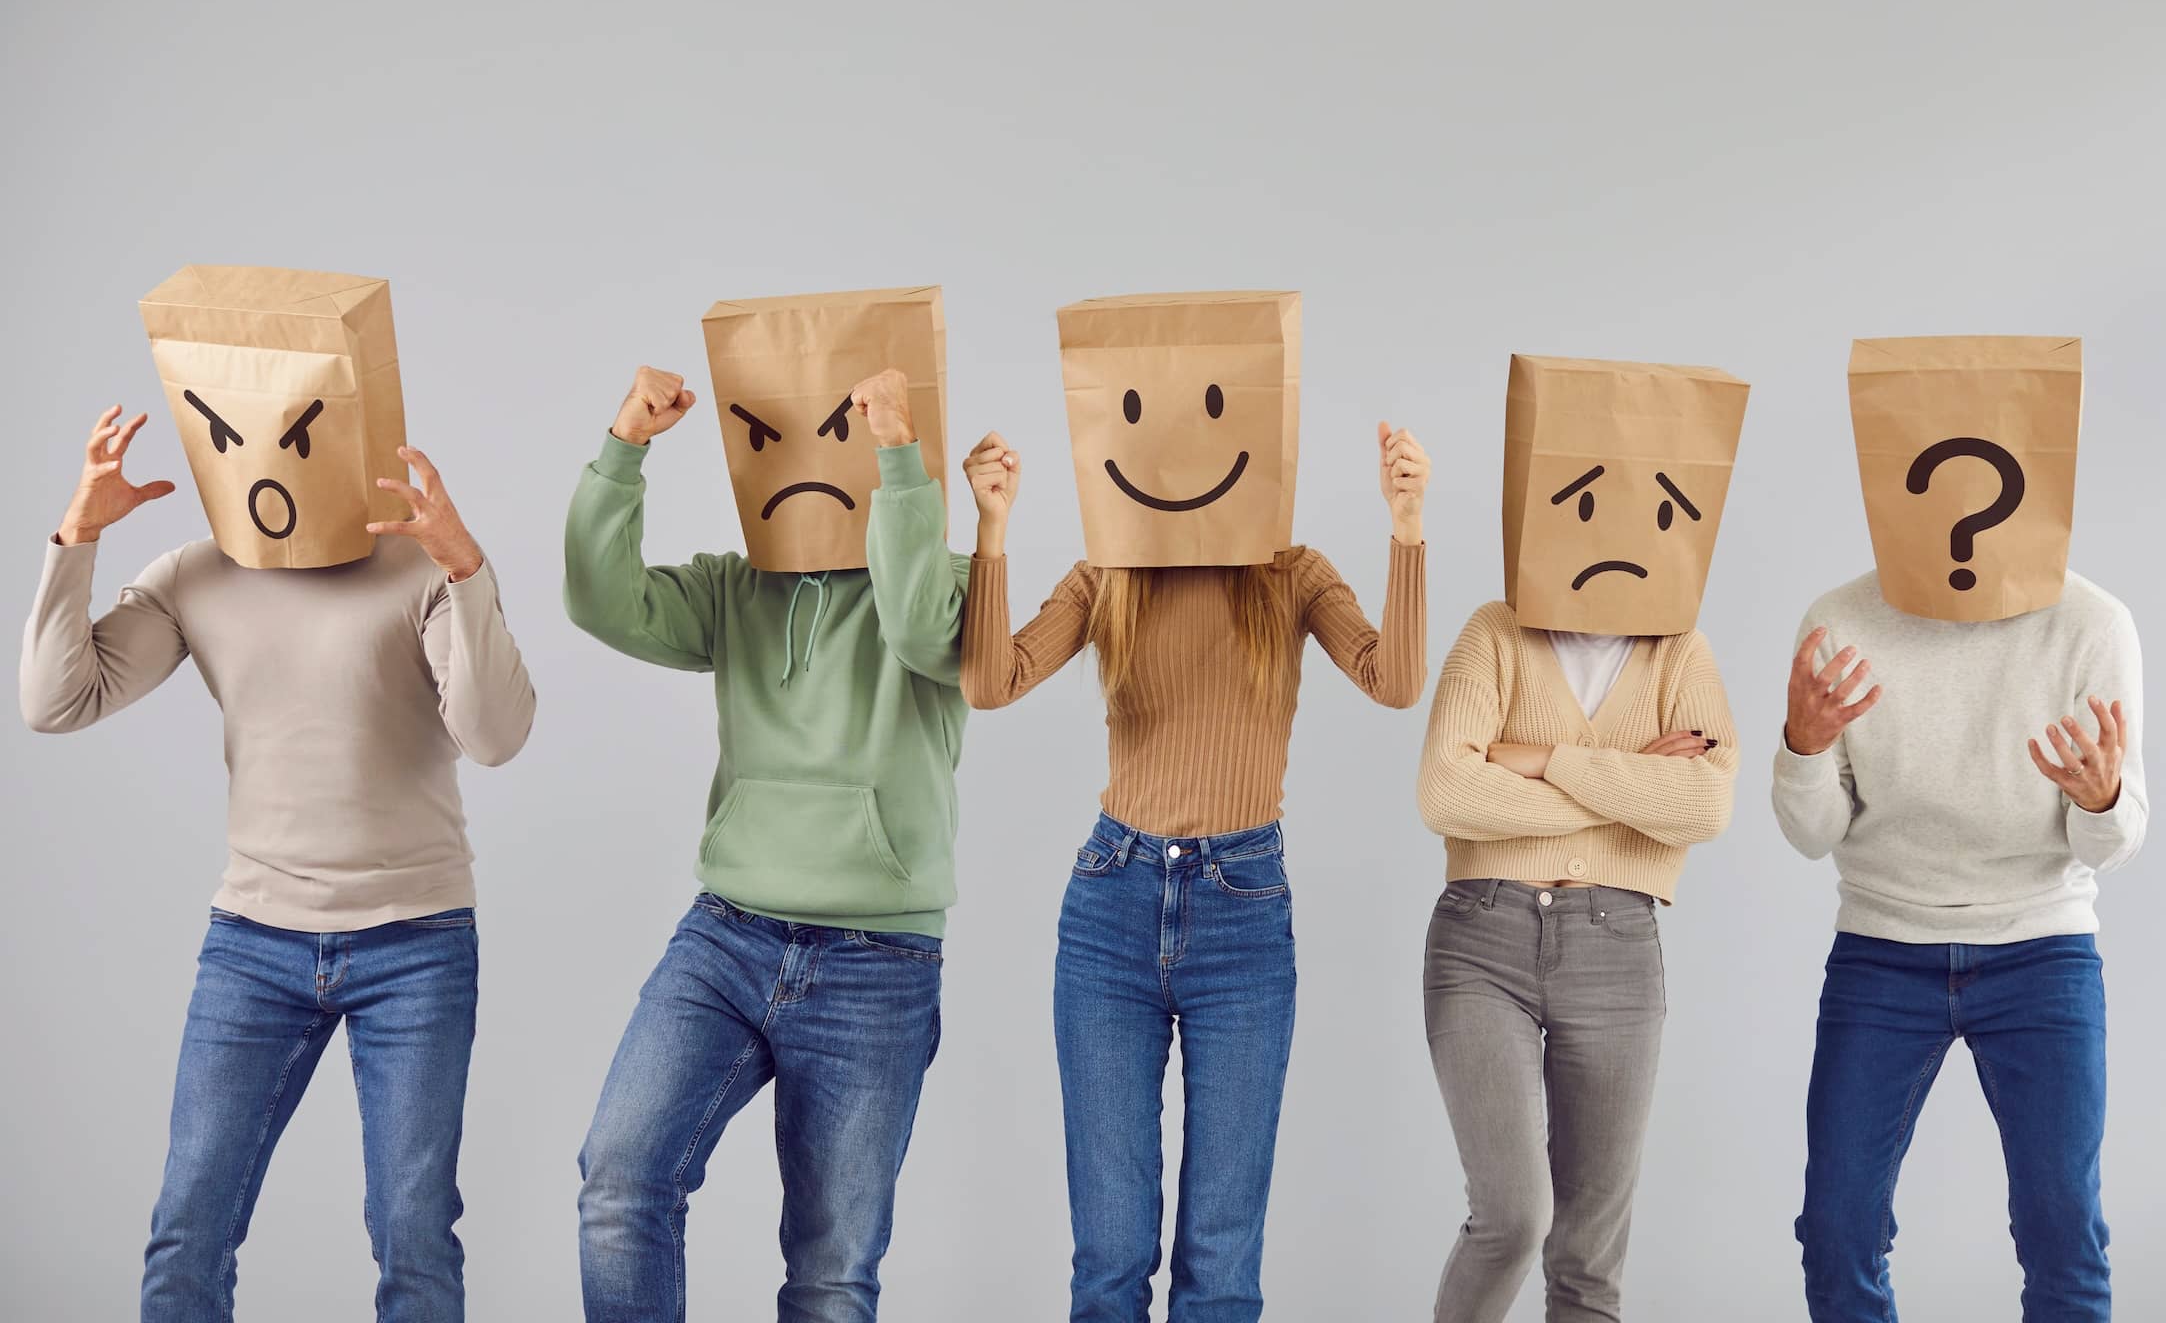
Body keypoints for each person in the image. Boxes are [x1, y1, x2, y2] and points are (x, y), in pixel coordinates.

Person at [20, 405, 535, 1323]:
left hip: (415, 944)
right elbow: (58, 701)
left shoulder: (415, 566)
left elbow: (495, 738)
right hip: (252, 944)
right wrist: (79, 534)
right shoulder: (195, 574)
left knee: (414, 1232)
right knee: (189, 1229)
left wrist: (463, 567)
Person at [957, 420, 1429, 1322]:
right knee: (1110, 1255)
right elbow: (991, 680)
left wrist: (1405, 526)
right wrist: (992, 530)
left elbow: (1396, 679)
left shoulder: (1292, 572)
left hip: (1241, 918)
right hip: (1110, 908)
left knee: (1220, 1262)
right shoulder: (1110, 573)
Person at [565, 365, 967, 1323]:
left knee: (831, 1272)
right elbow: (599, 599)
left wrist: (901, 458)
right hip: (727, 936)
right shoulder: (730, 588)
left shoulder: (947, 580)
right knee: (619, 1182)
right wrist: (626, 445)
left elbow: (922, 635)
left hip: (880, 962)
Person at [1773, 575, 2146, 1323]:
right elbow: (1813, 835)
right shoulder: (1840, 620)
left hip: (2041, 949)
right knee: (1838, 1227)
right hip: (1881, 950)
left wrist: (2103, 799)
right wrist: (1802, 748)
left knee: (2063, 1230)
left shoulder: (2092, 623)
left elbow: (2111, 843)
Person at [1414, 604, 1738, 1322]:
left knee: (1589, 1254)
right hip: (1481, 940)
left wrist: (1545, 760)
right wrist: (1627, 789)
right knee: (1513, 1217)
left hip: (1617, 944)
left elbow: (1707, 804)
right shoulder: (1496, 633)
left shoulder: (1679, 648)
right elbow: (1446, 792)